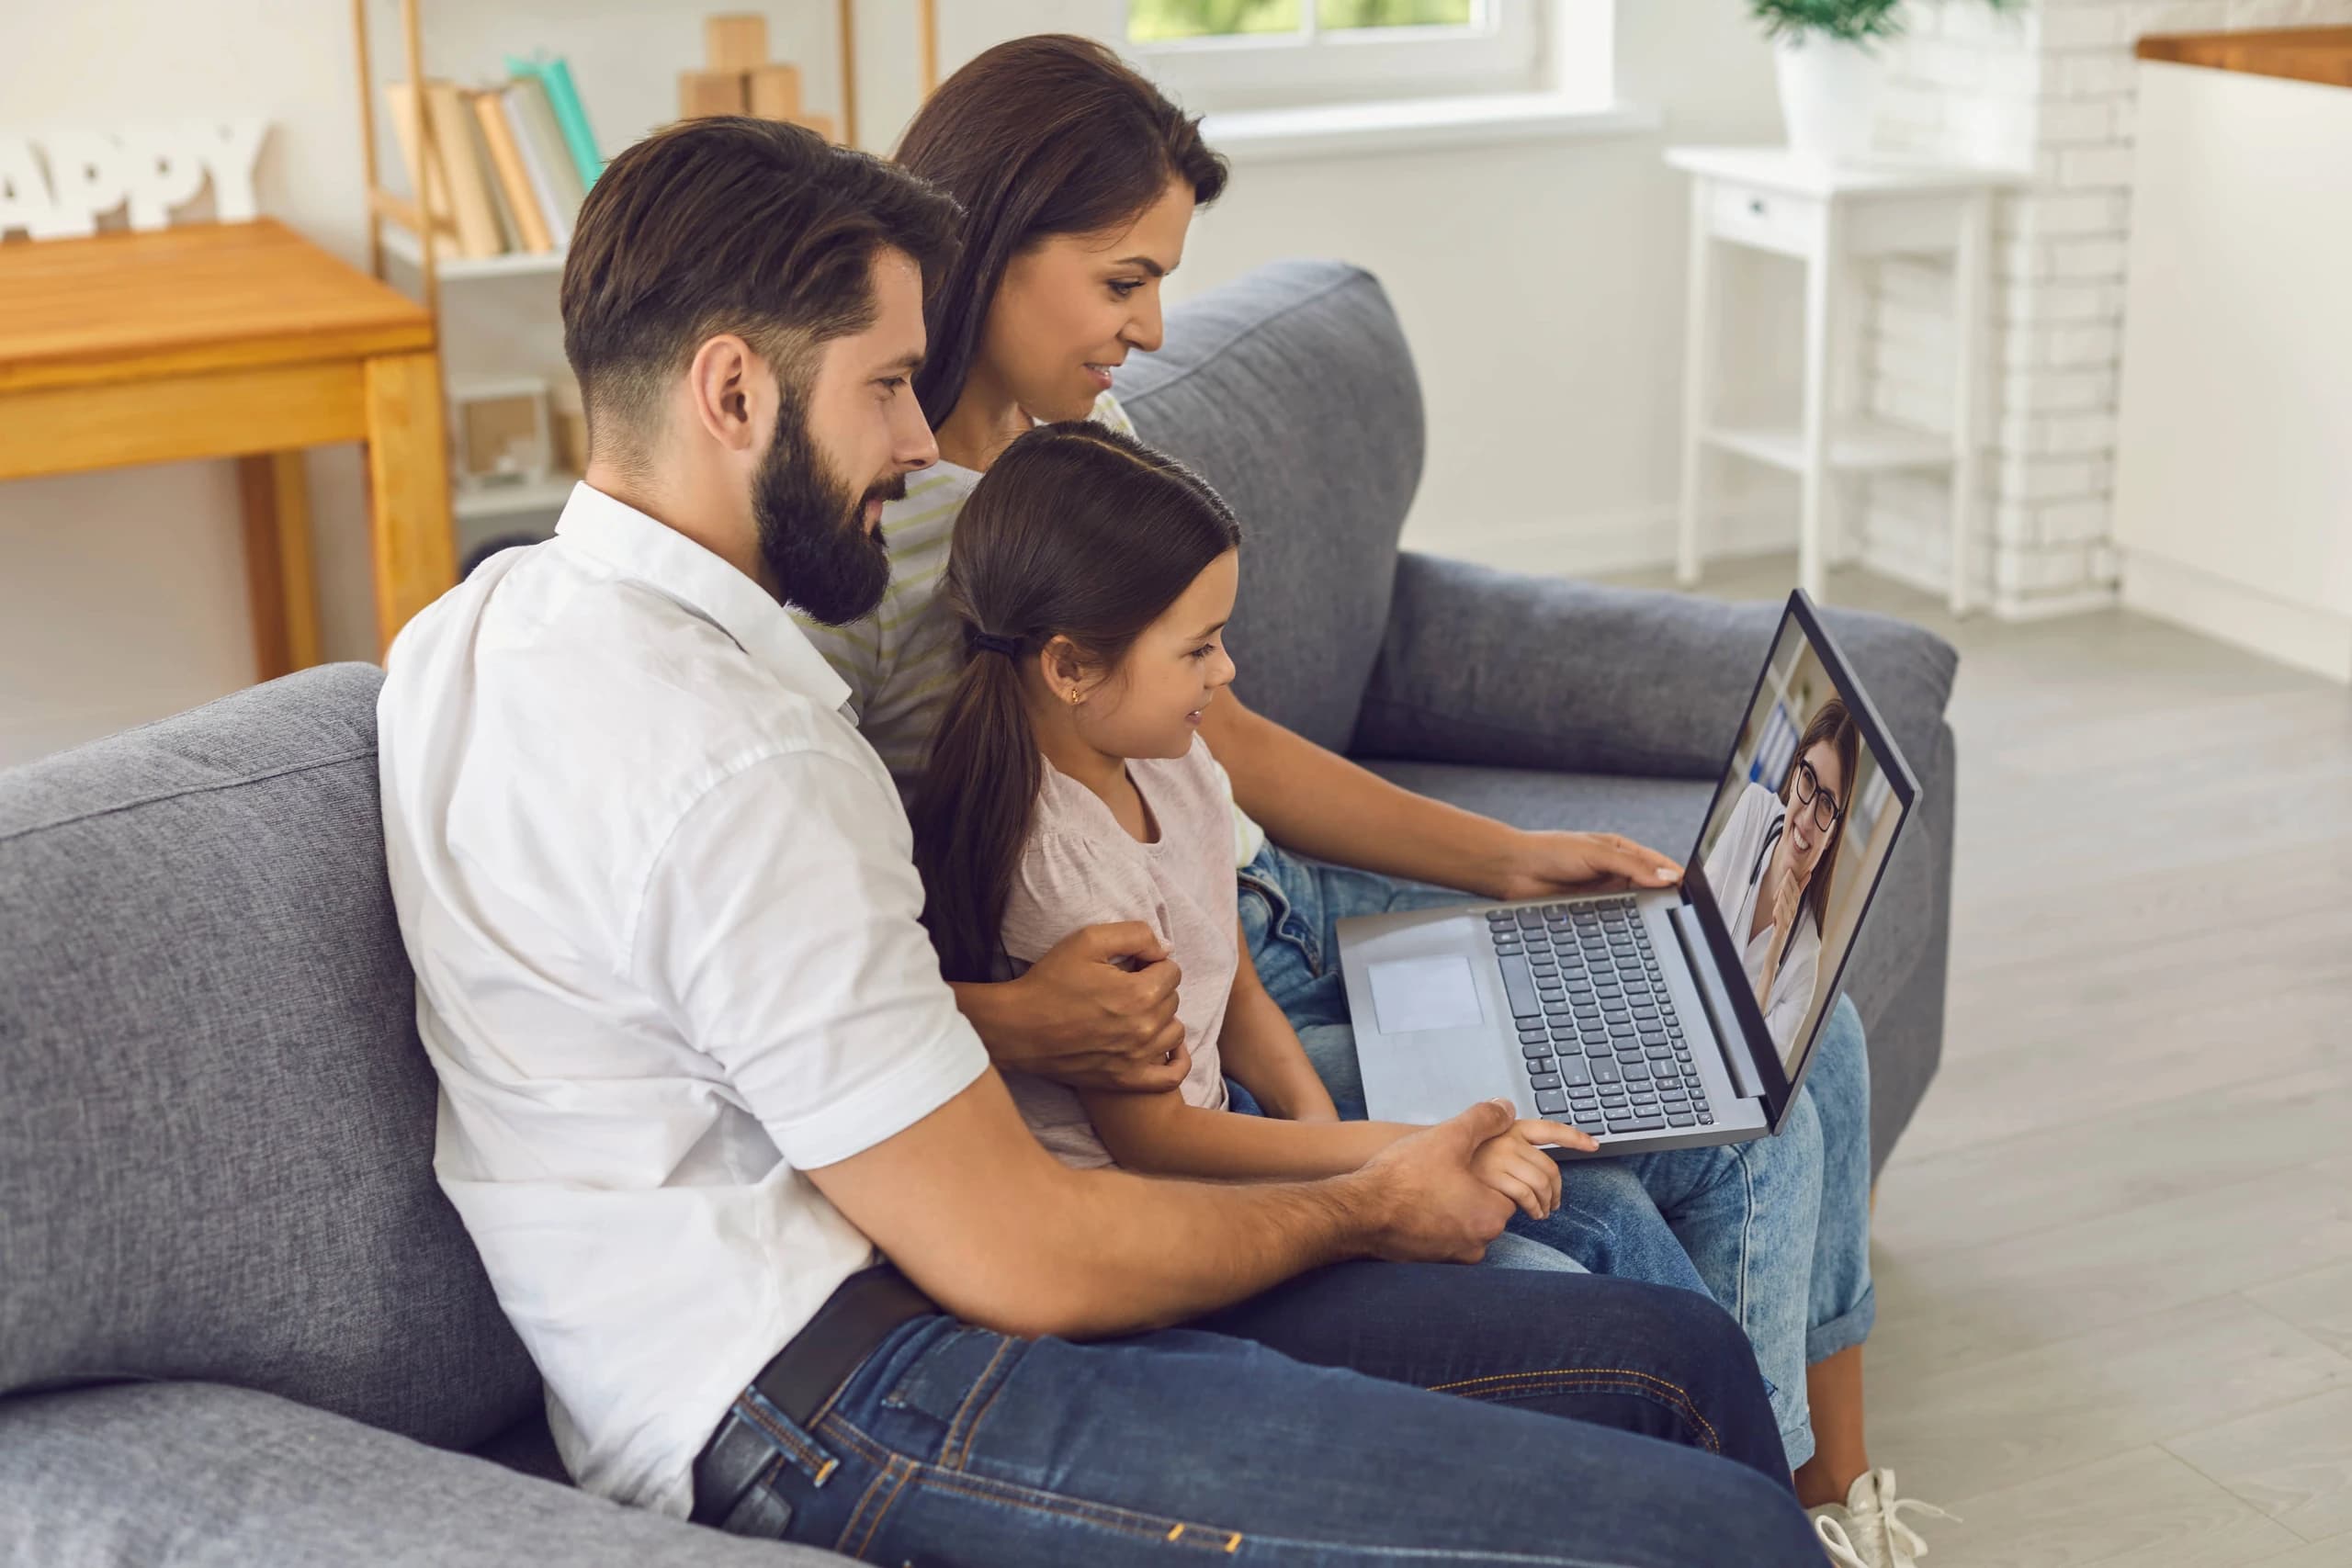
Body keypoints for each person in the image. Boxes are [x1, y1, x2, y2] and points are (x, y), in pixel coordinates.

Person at [374, 114, 1826, 1567]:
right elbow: (1028, 1250)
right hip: (831, 1389)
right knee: (1706, 1529)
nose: (913, 437)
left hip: (902, 1284)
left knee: (1673, 1363)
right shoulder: (735, 762)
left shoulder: (479, 627)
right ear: (734, 389)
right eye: (885, 384)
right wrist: (1364, 1198)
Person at [794, 32, 1940, 1566]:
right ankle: (1728, 1502)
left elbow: (1228, 742)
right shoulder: (868, 536)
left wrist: (1511, 857)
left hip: (1262, 902)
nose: (1149, 324)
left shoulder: (1087, 439)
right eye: (1122, 279)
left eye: (1159, 282)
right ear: (995, 242)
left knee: (1790, 1018)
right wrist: (1020, 1021)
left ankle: (1826, 1504)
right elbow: (832, 914)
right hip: (1167, 979)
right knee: (1684, 1134)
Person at [909, 418, 1591, 1217]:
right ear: (1069, 667)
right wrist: (1381, 1161)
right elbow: (1157, 1141)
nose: (1226, 671)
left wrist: (1323, 1131)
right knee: (1563, 1212)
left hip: (1232, 1118)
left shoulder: (1177, 761)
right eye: (1199, 649)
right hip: (1165, 1208)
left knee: (1589, 1183)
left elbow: (1237, 992)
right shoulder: (1062, 868)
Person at [1701, 700, 1859, 1060]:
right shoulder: (1754, 810)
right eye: (1808, 781)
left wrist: (1773, 957)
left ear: (1832, 834)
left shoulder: (1804, 961)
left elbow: (1753, 1073)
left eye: (1826, 805)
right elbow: (1692, 929)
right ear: (1794, 774)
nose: (1805, 818)